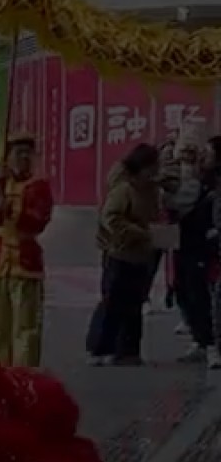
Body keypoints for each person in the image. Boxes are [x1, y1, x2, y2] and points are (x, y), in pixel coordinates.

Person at [0, 134, 54, 367]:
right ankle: (0, 372)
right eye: (18, 153)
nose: (24, 158)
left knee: (26, 326)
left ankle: (24, 375)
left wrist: (11, 209)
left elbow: (39, 219)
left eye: (28, 153)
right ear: (7, 157)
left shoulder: (39, 186)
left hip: (24, 261)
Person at [87, 143, 162, 366]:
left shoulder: (152, 190)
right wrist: (138, 232)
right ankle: (101, 349)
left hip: (142, 255)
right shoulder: (124, 190)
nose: (155, 171)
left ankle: (129, 350)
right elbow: (110, 218)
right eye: (152, 166)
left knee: (135, 305)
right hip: (121, 254)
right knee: (113, 304)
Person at [163, 126, 216, 364]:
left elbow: (183, 202)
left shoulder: (207, 183)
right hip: (183, 243)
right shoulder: (182, 175)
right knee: (184, 289)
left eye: (195, 152)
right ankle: (200, 339)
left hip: (200, 245)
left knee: (198, 293)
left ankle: (208, 342)